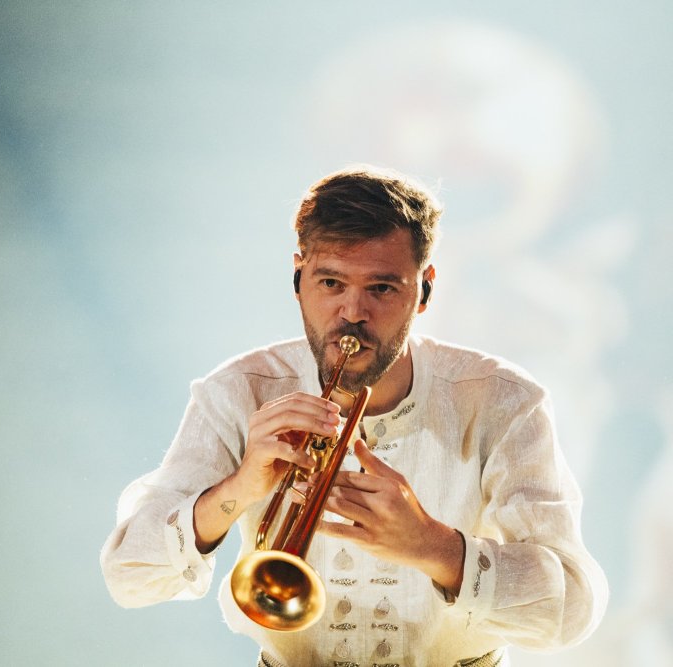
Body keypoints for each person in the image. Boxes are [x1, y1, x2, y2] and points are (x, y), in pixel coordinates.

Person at [100, 165, 608, 667]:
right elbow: (129, 577)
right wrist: (238, 490)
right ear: (297, 276)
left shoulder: (504, 399)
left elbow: (574, 610)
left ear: (424, 290)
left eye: (382, 288)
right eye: (331, 283)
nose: (353, 314)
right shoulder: (238, 390)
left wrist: (435, 548)